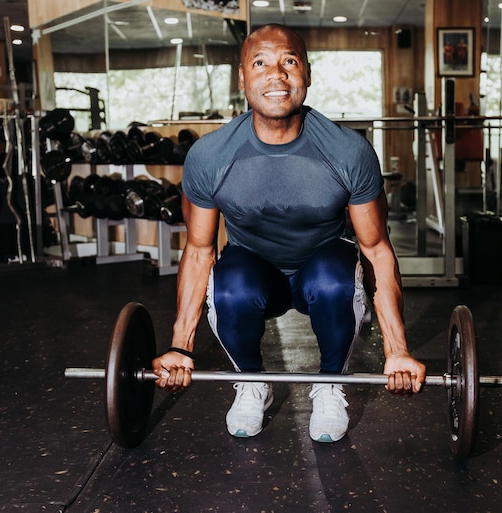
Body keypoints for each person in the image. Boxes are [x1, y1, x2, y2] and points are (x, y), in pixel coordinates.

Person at [152, 24, 426, 443]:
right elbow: (198, 252)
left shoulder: (349, 151)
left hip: (322, 271)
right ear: (242, 78)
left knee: (334, 275)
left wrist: (397, 349)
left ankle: (333, 384)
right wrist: (180, 346)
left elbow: (376, 250)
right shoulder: (209, 156)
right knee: (231, 284)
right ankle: (250, 382)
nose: (275, 75)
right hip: (255, 272)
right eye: (260, 63)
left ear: (307, 74)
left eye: (289, 62)